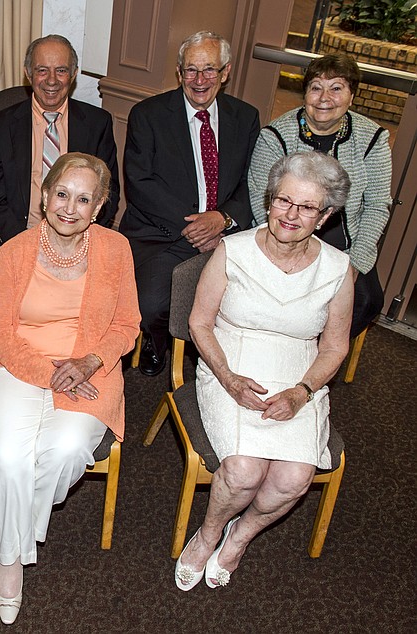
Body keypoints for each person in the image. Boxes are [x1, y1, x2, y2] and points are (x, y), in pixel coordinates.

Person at [0, 153, 139, 624]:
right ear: (44, 195)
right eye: (61, 194)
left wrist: (90, 361)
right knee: (11, 456)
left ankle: (7, 526)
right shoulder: (14, 252)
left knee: (68, 449)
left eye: (83, 199)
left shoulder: (116, 249)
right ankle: (12, 564)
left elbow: (127, 324)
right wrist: (49, 373)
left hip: (90, 367)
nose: (70, 208)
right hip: (10, 364)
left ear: (98, 207)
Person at [174, 152, 353, 591]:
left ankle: (240, 536)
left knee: (293, 478)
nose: (290, 215)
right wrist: (229, 378)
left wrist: (303, 391)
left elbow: (334, 346)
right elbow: (199, 323)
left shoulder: (338, 270)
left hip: (299, 373)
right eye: (283, 201)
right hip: (229, 361)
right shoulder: (232, 251)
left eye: (306, 207)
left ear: (325, 215)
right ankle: (210, 533)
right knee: (244, 471)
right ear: (269, 200)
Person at [118, 31, 260, 376]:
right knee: (150, 304)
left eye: (209, 70)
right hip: (161, 232)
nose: (200, 80)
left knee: (250, 303)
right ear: (179, 73)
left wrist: (224, 219)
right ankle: (157, 339)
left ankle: (214, 355)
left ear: (225, 73)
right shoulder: (148, 115)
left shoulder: (245, 117)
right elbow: (140, 183)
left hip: (227, 233)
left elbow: (252, 183)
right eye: (191, 70)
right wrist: (197, 227)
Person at [248, 53, 390, 338]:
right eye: (316, 87)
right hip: (286, 239)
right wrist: (291, 253)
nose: (325, 97)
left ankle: (319, 357)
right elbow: (260, 198)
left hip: (346, 248)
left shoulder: (372, 138)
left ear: (352, 96)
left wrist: (354, 264)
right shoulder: (275, 136)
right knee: (286, 301)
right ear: (305, 94)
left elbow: (377, 206)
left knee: (366, 300)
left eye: (336, 88)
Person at [0, 34, 120, 252]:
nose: (52, 80)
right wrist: (24, 242)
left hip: (78, 240)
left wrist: (74, 241)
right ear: (28, 73)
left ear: (73, 74)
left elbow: (107, 194)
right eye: (42, 70)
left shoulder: (97, 124)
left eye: (61, 70)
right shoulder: (3, 124)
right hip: (15, 238)